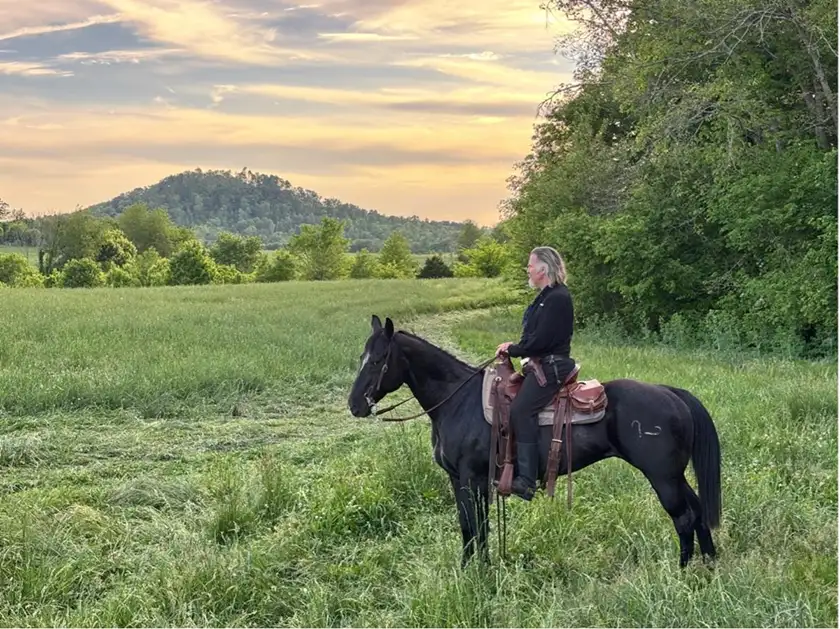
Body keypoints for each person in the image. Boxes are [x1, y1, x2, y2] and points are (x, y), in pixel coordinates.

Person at [495, 246, 575, 501]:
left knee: (521, 409)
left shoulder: (557, 298)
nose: (527, 269)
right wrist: (515, 347)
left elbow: (540, 340)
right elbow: (534, 336)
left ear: (543, 268)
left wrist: (514, 349)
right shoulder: (546, 296)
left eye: (530, 265)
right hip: (542, 364)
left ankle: (527, 480)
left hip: (552, 367)